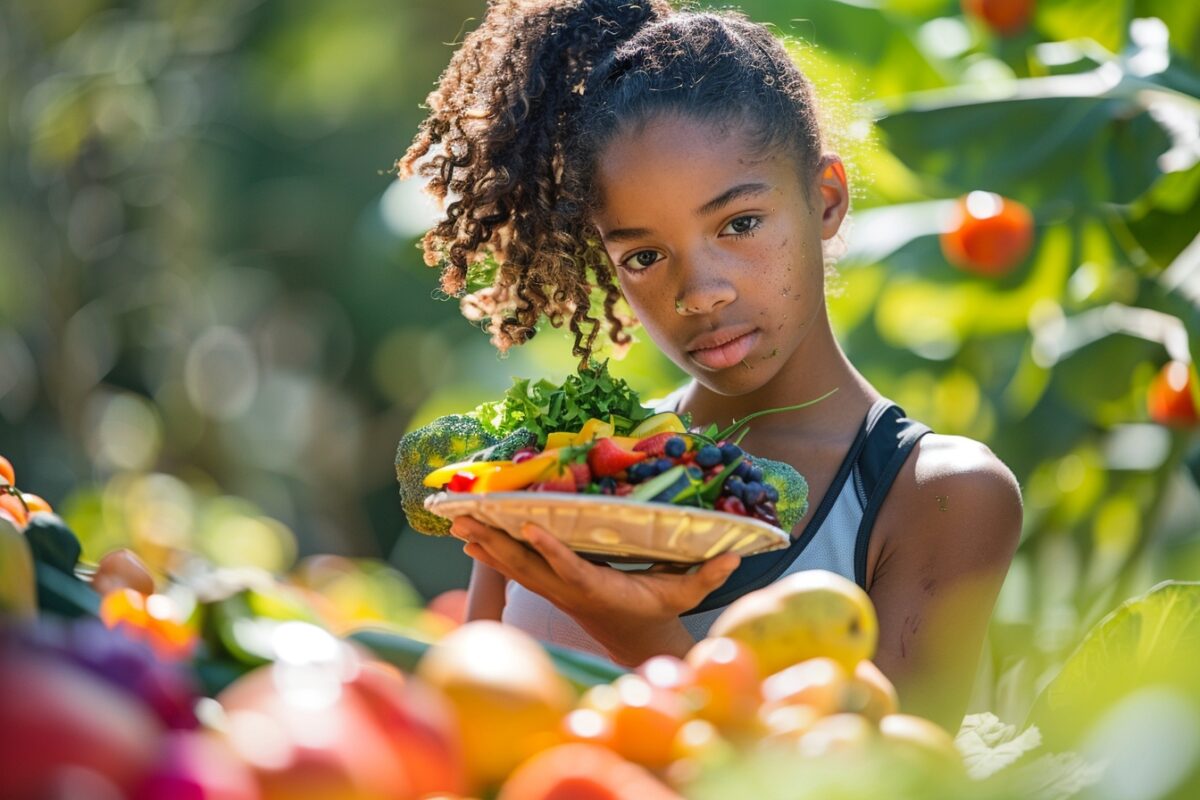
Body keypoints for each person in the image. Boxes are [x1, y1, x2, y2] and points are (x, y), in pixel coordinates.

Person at [396, 0, 1022, 730]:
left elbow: (896, 777)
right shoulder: (552, 487)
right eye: (644, 256)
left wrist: (643, 639)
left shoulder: (937, 496)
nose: (699, 292)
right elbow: (466, 741)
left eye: (740, 224)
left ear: (825, 200)